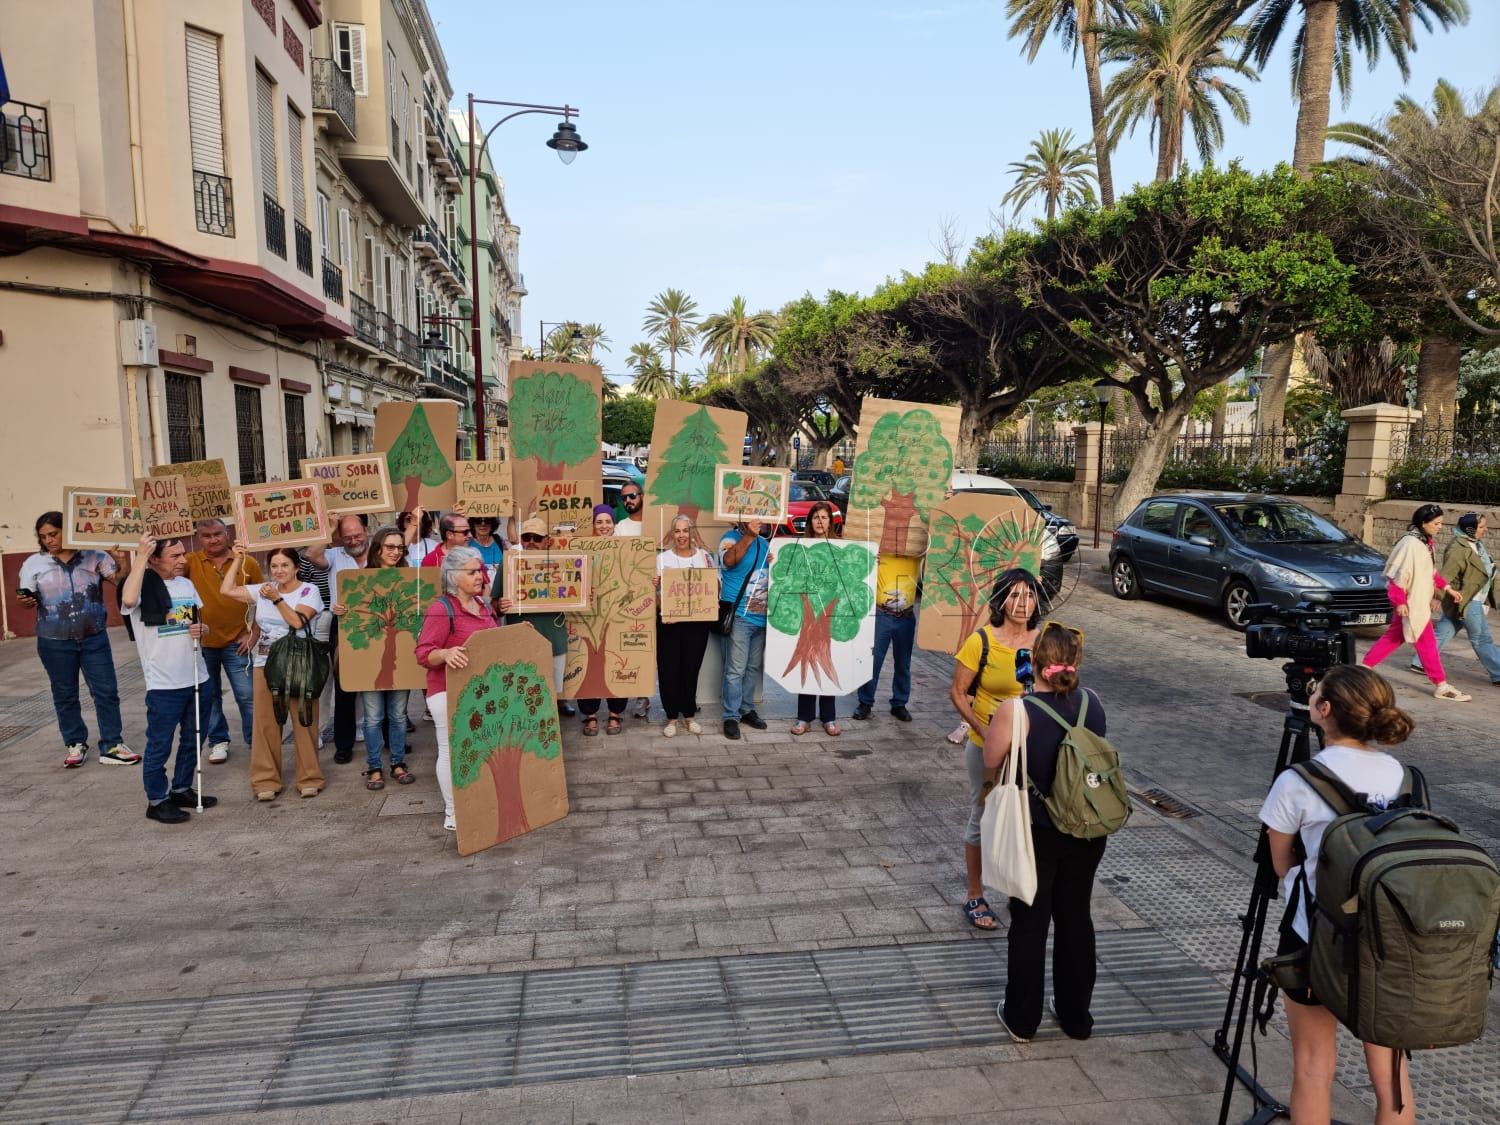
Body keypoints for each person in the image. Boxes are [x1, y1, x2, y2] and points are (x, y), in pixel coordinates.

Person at [1258, 665, 1418, 1123]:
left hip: (1315, 935)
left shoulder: (1298, 781)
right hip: (1387, 939)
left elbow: (1280, 863)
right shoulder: (1399, 774)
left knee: (1312, 1066)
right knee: (1391, 1075)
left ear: (1323, 710)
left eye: (1317, 694)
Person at [984, 621, 1104, 1044]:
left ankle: (1022, 1019)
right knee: (1076, 918)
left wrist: (1019, 705)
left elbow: (991, 759)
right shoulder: (1094, 702)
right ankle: (1076, 1018)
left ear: (1033, 662)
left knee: (1031, 923)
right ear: (1076, 663)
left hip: (1037, 830)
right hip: (1088, 830)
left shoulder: (1017, 711)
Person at [949, 568, 1043, 931]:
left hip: (1033, 745)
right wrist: (983, 730)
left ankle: (1019, 887)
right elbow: (958, 692)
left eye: (1030, 596)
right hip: (987, 748)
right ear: (1001, 600)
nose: (1022, 604)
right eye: (1015, 596)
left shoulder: (1046, 639)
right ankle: (975, 894)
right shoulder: (981, 641)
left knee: (1029, 816)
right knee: (983, 814)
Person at [18, 511, 138, 768]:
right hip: (54, 641)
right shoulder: (33, 564)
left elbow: (120, 582)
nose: (49, 540)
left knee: (106, 691)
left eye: (54, 533)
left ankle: (112, 744)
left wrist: (121, 563)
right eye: (43, 536)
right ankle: (75, 743)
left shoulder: (94, 555)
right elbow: (25, 598)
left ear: (68, 530)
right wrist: (25, 601)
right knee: (65, 694)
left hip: (94, 637)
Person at [119, 534, 215, 823]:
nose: (183, 561)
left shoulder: (186, 584)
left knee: (194, 738)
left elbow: (193, 621)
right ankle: (157, 800)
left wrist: (203, 629)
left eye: (183, 554)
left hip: (198, 674)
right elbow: (128, 599)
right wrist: (139, 557)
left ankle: (181, 788)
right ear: (154, 559)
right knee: (160, 744)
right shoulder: (141, 584)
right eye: (174, 556)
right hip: (164, 683)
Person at [220, 544, 325, 802]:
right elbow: (227, 590)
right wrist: (238, 558)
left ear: (296, 567)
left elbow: (298, 621)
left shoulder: (309, 591)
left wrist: (276, 600)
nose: (279, 571)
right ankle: (265, 780)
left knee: (303, 719)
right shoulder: (262, 590)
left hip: (299, 662)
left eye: (285, 565)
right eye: (274, 566)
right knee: (265, 723)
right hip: (265, 663)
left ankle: (309, 777)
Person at [414, 547, 498, 831]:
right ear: (453, 577)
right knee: (451, 751)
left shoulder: (483, 606)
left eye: (480, 570)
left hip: (482, 692)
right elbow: (424, 653)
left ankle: (479, 801)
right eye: (472, 572)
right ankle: (453, 812)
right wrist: (446, 653)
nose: (480, 576)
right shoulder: (441, 609)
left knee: (483, 748)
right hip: (447, 691)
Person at [332, 526, 414, 789]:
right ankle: (374, 766)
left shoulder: (410, 578)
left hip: (401, 657)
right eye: (389, 546)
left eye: (399, 547)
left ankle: (398, 763)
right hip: (368, 659)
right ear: (378, 548)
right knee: (373, 716)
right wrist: (340, 610)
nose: (394, 552)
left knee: (399, 715)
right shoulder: (361, 580)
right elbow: (352, 617)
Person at [1362, 504, 1469, 701]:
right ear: (1423, 523)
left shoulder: (1424, 542)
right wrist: (1400, 602)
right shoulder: (1410, 544)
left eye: (1441, 523)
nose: (1440, 527)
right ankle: (1441, 686)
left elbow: (1430, 572)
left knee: (1393, 638)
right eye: (1436, 524)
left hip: (1414, 603)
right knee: (1427, 643)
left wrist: (1448, 589)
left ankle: (1363, 669)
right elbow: (1397, 577)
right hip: (1411, 605)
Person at [184, 517, 261, 764]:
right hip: (202, 643)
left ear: (227, 533)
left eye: (218, 533)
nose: (213, 539)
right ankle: (218, 740)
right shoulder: (189, 562)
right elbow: (176, 592)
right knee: (210, 695)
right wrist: (187, 627)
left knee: (247, 694)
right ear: (198, 538)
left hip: (237, 641)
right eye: (206, 536)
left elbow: (263, 598)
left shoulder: (247, 561)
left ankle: (257, 741)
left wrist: (254, 633)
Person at [1411, 512, 1499, 686]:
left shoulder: (1475, 544)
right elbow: (1446, 575)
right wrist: (1438, 597)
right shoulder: (1458, 548)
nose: (1485, 530)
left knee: (1445, 630)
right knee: (1482, 638)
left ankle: (1420, 662)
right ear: (1470, 528)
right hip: (1466, 599)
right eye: (1481, 527)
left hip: (1471, 598)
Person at [498, 518, 574, 717]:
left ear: (546, 540)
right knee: (522, 692)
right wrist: (500, 605)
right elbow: (495, 604)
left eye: (537, 538)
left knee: (553, 693)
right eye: (526, 537)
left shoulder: (561, 563)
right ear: (521, 539)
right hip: (520, 641)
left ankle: (550, 736)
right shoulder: (508, 563)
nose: (531, 541)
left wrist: (585, 596)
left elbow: (576, 595)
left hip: (554, 639)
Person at [655, 514, 715, 736]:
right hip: (669, 623)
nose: (681, 535)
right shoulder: (662, 560)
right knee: (669, 670)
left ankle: (689, 716)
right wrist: (658, 590)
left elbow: (715, 588)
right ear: (672, 534)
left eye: (686, 530)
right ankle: (671, 718)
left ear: (692, 533)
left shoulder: (704, 557)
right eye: (677, 531)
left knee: (691, 670)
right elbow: (655, 596)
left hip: (696, 625)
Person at [791, 501, 843, 736]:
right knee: (807, 654)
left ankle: (829, 717)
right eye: (816, 518)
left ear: (830, 522)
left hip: (830, 611)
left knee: (827, 656)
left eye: (824, 517)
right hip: (807, 610)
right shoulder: (800, 546)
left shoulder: (840, 547)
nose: (820, 522)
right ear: (809, 522)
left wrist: (871, 561)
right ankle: (804, 717)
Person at [578, 505, 629, 735]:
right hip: (588, 616)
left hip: (618, 615)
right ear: (593, 525)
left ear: (614, 524)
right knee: (588, 661)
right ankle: (589, 714)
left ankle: (615, 713)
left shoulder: (626, 549)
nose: (604, 526)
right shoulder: (581, 549)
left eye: (608, 521)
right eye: (599, 522)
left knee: (618, 658)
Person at [718, 518, 771, 740]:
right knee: (735, 669)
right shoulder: (729, 538)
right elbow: (729, 560)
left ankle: (746, 709)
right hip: (739, 615)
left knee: (752, 668)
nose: (757, 521)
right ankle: (730, 716)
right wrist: (749, 535)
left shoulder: (764, 543)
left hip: (761, 617)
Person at [853, 553, 920, 724]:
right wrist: (870, 556)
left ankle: (899, 704)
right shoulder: (880, 551)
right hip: (881, 615)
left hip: (906, 616)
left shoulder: (917, 553)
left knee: (903, 663)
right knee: (873, 661)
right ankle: (865, 703)